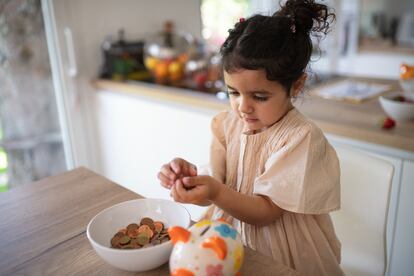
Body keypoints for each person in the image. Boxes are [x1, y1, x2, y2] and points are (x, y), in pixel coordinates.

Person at [157, 0, 343, 275]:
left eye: (259, 96)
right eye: (233, 92)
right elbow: (216, 190)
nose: (243, 107)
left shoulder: (301, 138)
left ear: (297, 85)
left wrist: (215, 190)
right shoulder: (226, 124)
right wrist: (193, 183)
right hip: (230, 241)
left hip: (283, 252)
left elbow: (266, 212)